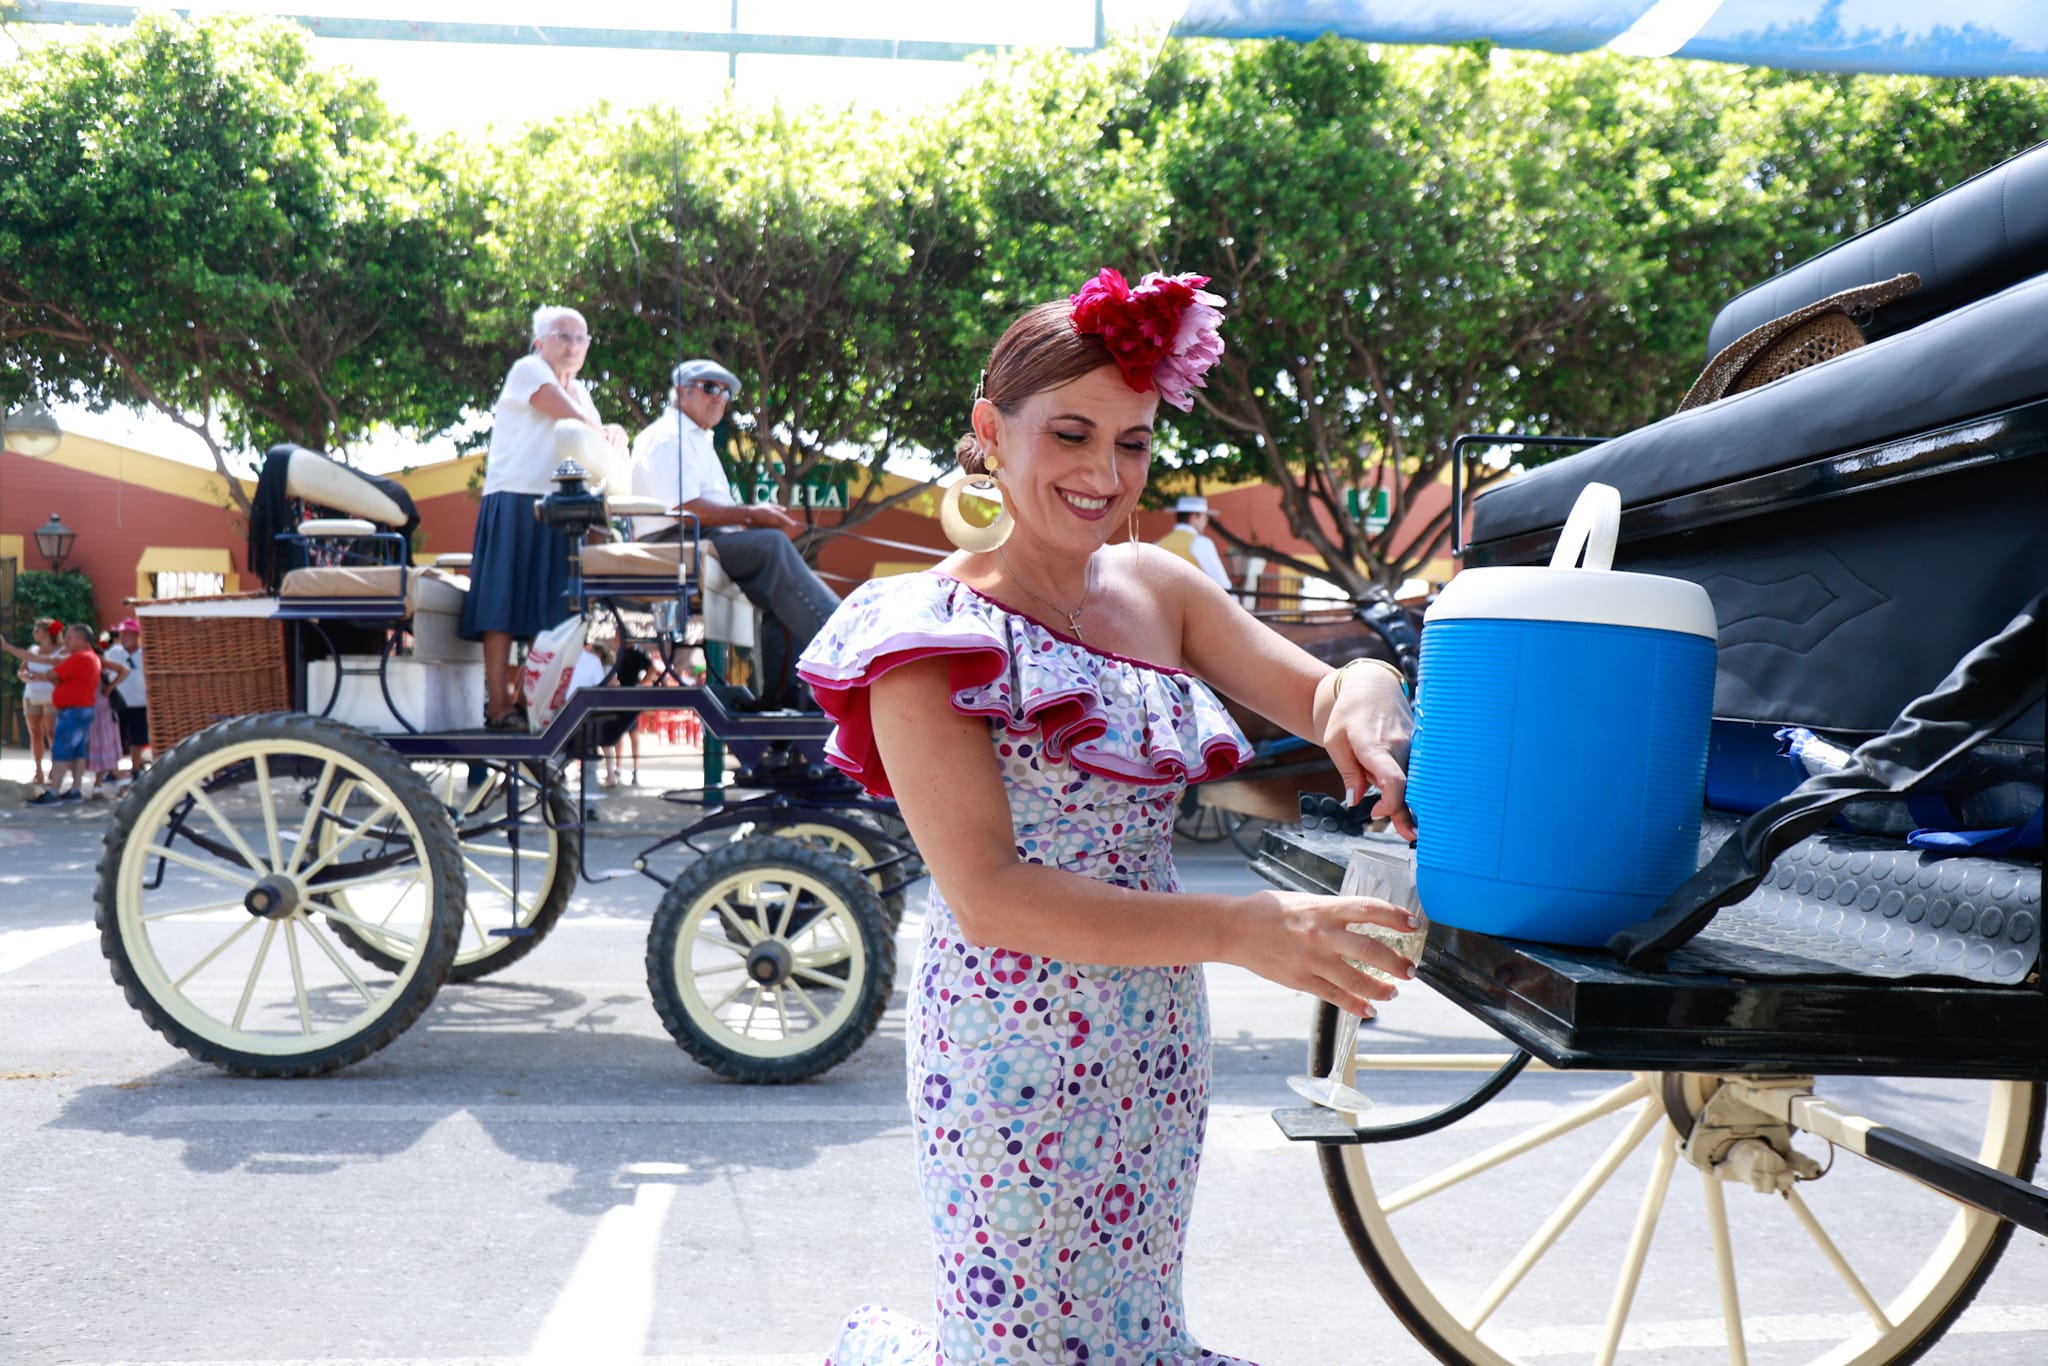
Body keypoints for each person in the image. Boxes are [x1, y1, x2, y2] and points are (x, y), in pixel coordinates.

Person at [800, 269, 1417, 1364]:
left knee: (1128, 1327)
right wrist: (1241, 930)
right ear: (990, 433)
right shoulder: (921, 626)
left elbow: (1319, 697)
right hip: (1005, 1049)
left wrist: (1365, 682)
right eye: (1071, 434)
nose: (1101, 473)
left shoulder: (1158, 587)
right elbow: (987, 896)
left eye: (1130, 444)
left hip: (1153, 1034)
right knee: (1024, 1341)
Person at [629, 358, 841, 709]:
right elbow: (681, 508)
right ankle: (841, 638)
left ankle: (781, 696)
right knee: (771, 547)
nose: (720, 397)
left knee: (777, 589)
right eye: (709, 388)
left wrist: (749, 521)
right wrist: (749, 514)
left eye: (726, 392)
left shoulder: (695, 438)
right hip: (670, 540)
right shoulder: (669, 437)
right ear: (681, 393)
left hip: (699, 536)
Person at [459, 305, 628, 730]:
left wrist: (614, 433)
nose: (573, 345)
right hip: (514, 498)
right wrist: (605, 430)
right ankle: (498, 705)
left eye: (581, 337)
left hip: (562, 510)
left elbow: (593, 434)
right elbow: (567, 414)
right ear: (540, 342)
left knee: (550, 613)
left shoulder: (583, 392)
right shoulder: (527, 370)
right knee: (500, 604)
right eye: (563, 335)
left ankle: (532, 705)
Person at [5, 623, 124, 803]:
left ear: (80, 638)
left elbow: (52, 674)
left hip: (73, 711)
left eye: (69, 637)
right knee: (78, 753)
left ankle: (53, 791)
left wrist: (36, 677)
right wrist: (8, 648)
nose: (65, 640)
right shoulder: (86, 657)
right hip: (82, 710)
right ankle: (75, 790)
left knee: (61, 750)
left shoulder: (80, 658)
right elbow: (39, 661)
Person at [1156, 492, 1233, 592]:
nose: (1206, 521)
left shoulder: (1158, 544)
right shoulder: (1201, 543)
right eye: (1205, 517)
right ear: (1195, 517)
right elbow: (1221, 583)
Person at [103, 617, 150, 779]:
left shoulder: (146, 654)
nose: (123, 637)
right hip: (119, 703)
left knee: (138, 738)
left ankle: (135, 768)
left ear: (136, 634)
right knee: (116, 738)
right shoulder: (112, 653)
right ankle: (113, 770)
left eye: (127, 633)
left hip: (140, 703)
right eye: (121, 633)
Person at [17, 617, 62, 786]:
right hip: (31, 695)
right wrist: (23, 676)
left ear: (46, 632)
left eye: (37, 630)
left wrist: (41, 677)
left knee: (52, 733)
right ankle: (38, 772)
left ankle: (55, 771)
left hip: (52, 696)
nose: (34, 633)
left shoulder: (61, 651)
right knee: (35, 734)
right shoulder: (33, 650)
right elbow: (22, 670)